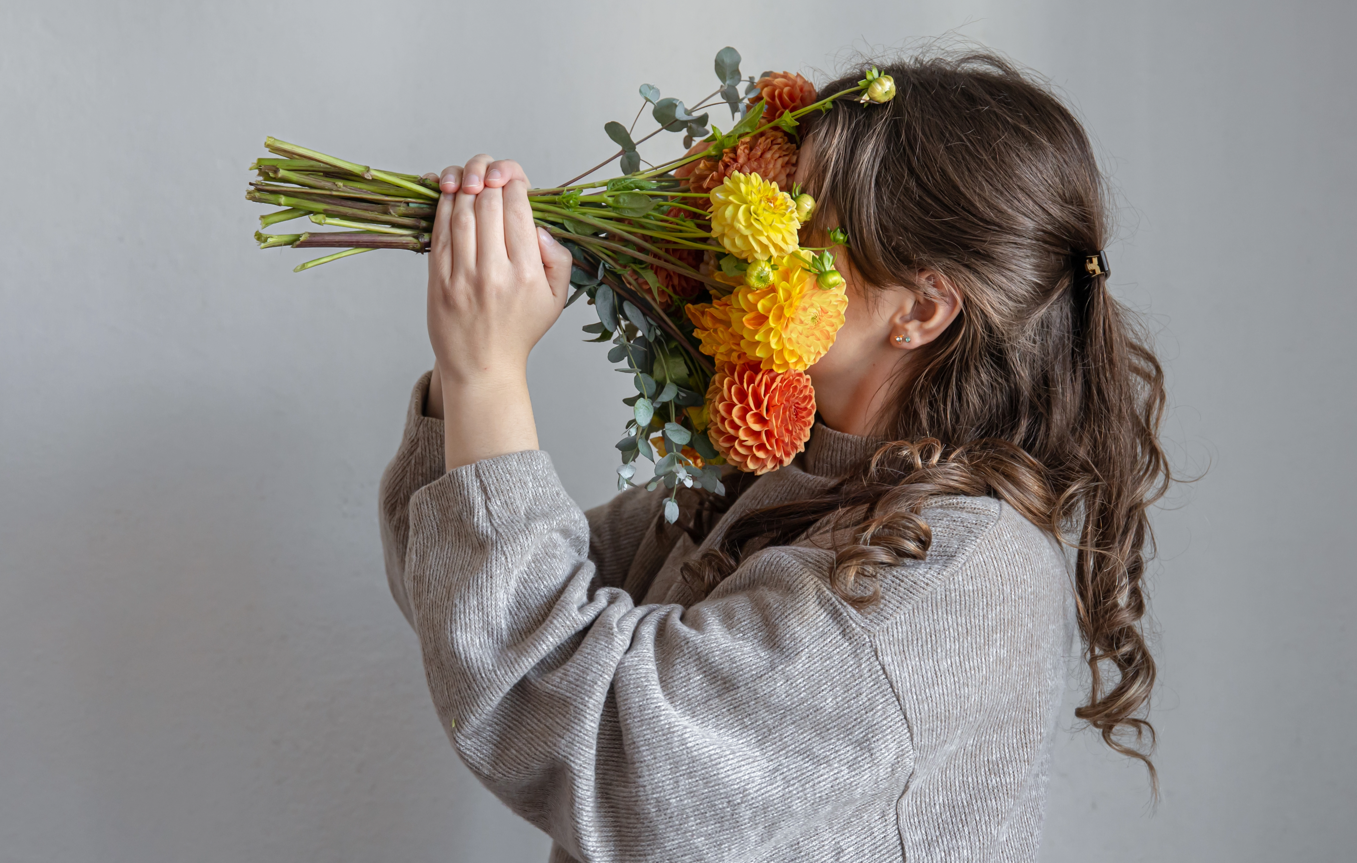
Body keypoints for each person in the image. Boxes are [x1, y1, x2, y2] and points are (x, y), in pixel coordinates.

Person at [378, 51, 1170, 863]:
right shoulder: (771, 470)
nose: (740, 238)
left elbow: (612, 752)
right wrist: (463, 371)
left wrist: (488, 371)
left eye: (800, 217)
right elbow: (466, 607)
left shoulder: (955, 570)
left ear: (922, 308)